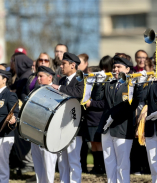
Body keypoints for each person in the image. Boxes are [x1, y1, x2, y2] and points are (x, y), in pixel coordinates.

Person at [87, 55, 139, 183]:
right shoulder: (109, 83)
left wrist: (114, 117)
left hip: (122, 128)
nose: (115, 69)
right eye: (114, 67)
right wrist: (99, 83)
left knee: (122, 165)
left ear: (127, 69)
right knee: (109, 163)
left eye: (119, 67)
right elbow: (97, 97)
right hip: (107, 129)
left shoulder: (131, 85)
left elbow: (131, 105)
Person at [51, 52, 84, 183]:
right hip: (62, 124)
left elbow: (78, 93)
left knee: (74, 160)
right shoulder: (63, 80)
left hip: (74, 125)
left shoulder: (80, 78)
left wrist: (58, 88)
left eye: (64, 64)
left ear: (73, 65)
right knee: (62, 161)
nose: (61, 66)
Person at [31, 66, 57, 183]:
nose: (38, 79)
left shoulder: (56, 91)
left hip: (48, 132)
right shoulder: (35, 90)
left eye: (41, 76)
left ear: (50, 77)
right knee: (38, 163)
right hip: (35, 130)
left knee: (49, 163)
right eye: (38, 76)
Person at [9, 53, 34, 173]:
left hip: (26, 114)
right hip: (20, 113)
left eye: (13, 61)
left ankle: (29, 163)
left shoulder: (27, 76)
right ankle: (24, 162)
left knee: (23, 139)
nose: (11, 64)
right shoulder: (21, 76)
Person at [0, 70, 19, 182]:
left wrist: (13, 119)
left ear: (4, 80)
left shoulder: (9, 95)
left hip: (4, 135)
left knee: (2, 165)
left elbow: (14, 112)